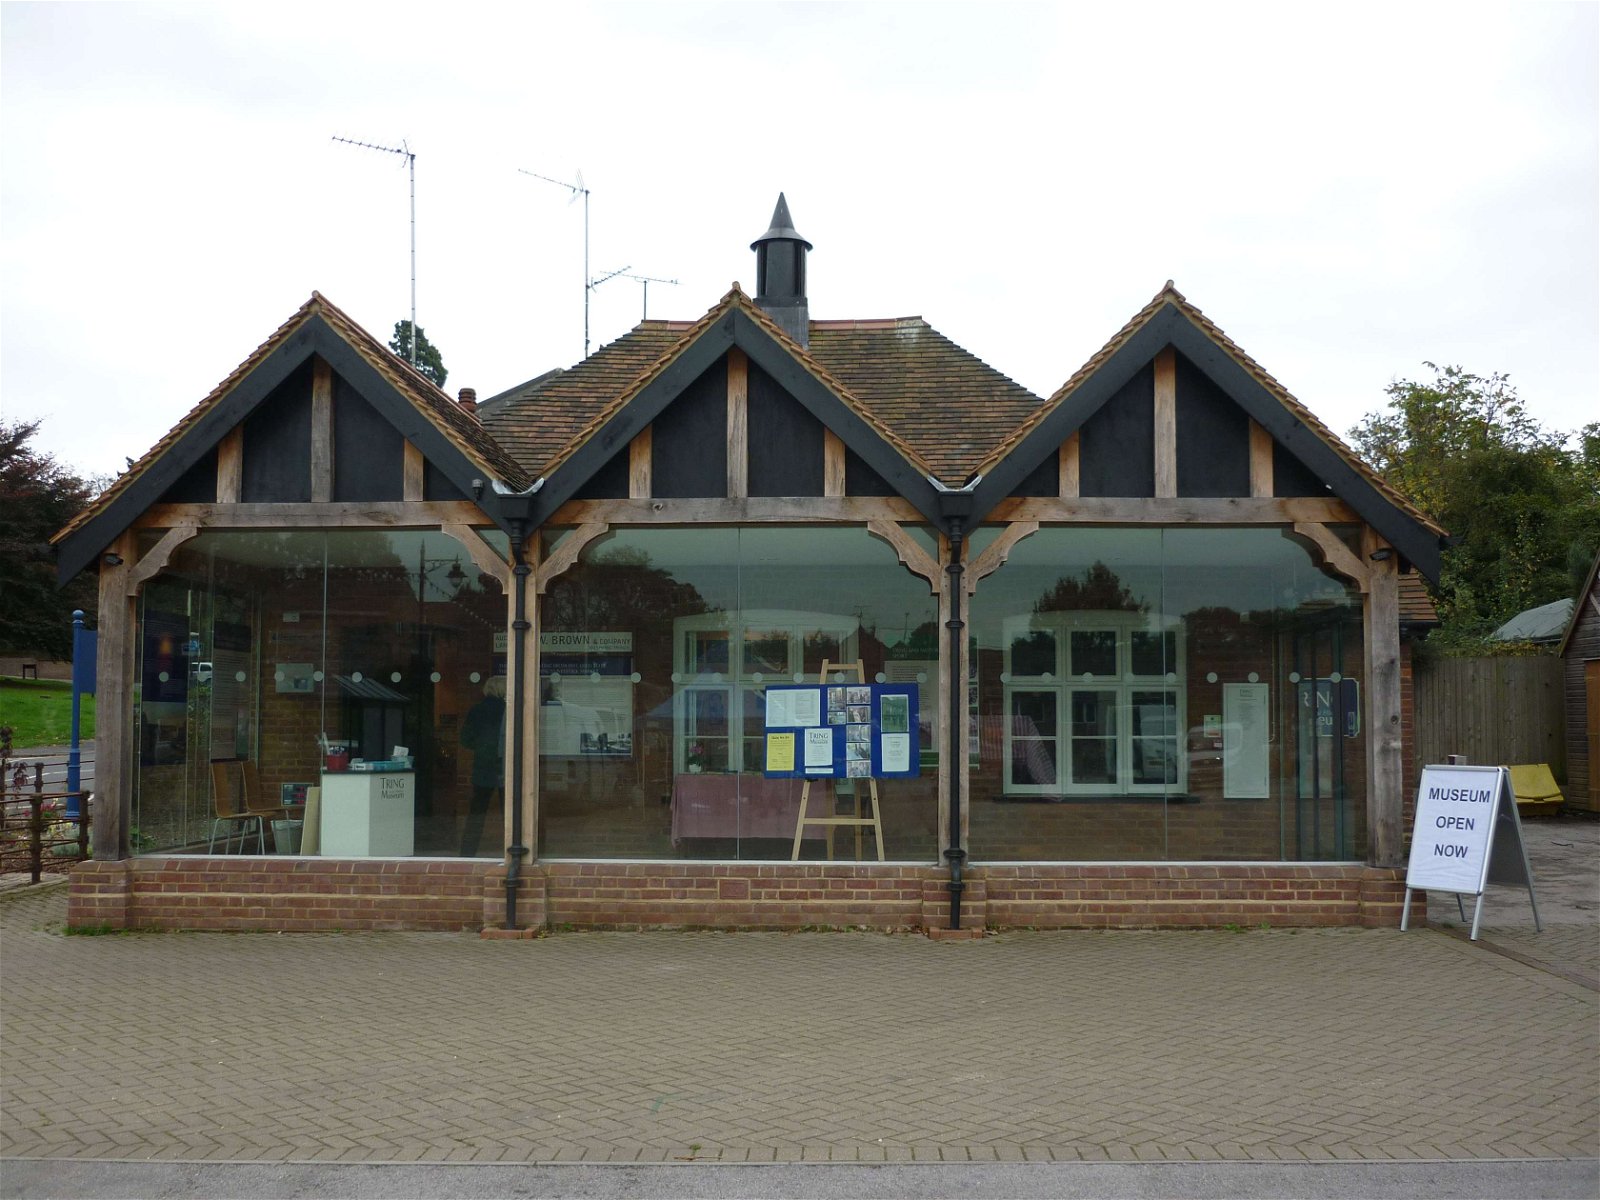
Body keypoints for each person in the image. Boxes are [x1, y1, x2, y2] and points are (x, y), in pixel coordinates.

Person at [458, 675, 506, 857]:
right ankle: (511, 852)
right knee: (509, 815)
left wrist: (481, 747)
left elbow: (465, 739)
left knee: (476, 815)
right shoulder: (507, 710)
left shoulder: (476, 710)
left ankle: (467, 854)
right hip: (505, 767)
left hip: (483, 767)